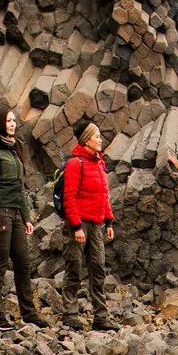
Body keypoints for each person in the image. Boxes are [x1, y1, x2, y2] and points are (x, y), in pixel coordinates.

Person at [0, 106, 37, 328]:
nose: (13, 124)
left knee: (23, 262)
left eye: (14, 121)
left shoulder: (14, 149)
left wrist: (27, 216)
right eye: (9, 120)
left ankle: (29, 314)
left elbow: (20, 187)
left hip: (16, 214)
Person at [61, 120, 114, 328]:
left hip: (98, 225)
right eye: (96, 136)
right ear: (86, 140)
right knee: (74, 267)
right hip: (80, 225)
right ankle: (70, 314)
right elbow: (69, 197)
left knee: (98, 269)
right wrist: (76, 226)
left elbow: (104, 196)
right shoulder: (76, 163)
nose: (100, 140)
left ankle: (101, 317)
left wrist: (109, 222)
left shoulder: (100, 164)